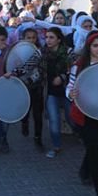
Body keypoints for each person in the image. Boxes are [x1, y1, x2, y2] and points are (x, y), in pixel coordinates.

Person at [66, 31, 98, 196]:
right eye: (95, 45)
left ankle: (84, 171)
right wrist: (71, 94)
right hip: (84, 115)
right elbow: (70, 87)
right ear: (89, 47)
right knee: (96, 152)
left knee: (95, 147)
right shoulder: (79, 65)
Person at [42, 27, 70, 158]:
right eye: (46, 37)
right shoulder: (42, 53)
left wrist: (62, 77)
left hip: (67, 92)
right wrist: (14, 73)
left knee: (72, 119)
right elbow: (29, 65)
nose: (48, 40)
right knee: (54, 120)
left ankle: (82, 135)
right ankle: (56, 146)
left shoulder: (69, 53)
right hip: (51, 92)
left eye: (51, 37)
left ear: (59, 39)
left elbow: (74, 70)